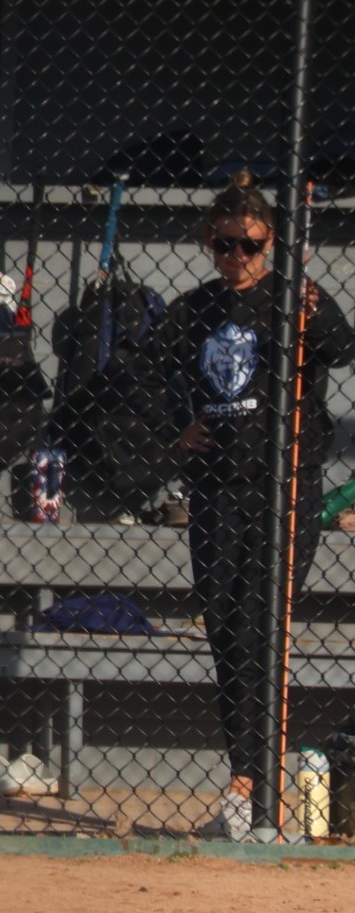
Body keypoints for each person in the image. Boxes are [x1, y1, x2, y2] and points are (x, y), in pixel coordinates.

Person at [144, 171, 355, 841]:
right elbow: (137, 369)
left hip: (283, 488)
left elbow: (342, 347)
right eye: (224, 245)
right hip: (215, 488)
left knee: (255, 628)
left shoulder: (290, 298)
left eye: (250, 245)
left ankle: (252, 786)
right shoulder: (196, 307)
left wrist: (309, 309)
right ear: (209, 241)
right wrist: (175, 426)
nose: (237, 258)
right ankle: (245, 780)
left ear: (269, 242)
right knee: (222, 629)